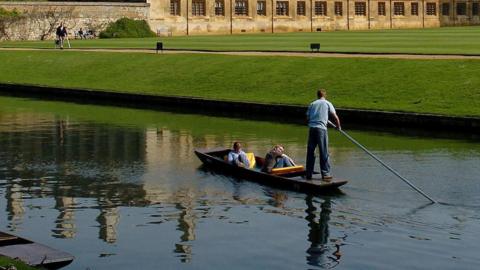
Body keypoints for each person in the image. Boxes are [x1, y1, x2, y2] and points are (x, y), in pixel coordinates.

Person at [306, 89, 341, 181]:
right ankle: (325, 174)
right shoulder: (327, 103)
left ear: (317, 95)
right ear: (325, 95)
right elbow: (335, 117)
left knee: (310, 152)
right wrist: (338, 126)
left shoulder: (312, 104)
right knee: (323, 151)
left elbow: (308, 117)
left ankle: (309, 174)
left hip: (312, 129)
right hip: (321, 129)